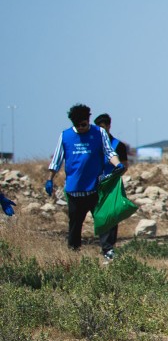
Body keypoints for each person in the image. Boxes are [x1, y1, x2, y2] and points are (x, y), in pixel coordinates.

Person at [46, 103, 120, 257]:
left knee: (103, 220)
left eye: (84, 124)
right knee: (75, 224)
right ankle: (73, 253)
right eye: (77, 125)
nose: (81, 128)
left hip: (95, 188)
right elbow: (56, 160)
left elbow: (109, 152)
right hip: (74, 191)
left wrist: (117, 164)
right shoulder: (65, 136)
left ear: (88, 120)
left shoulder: (99, 133)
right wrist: (50, 179)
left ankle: (108, 251)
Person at [93, 113, 130, 258]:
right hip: (97, 184)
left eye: (103, 127)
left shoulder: (118, 145)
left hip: (113, 185)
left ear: (109, 126)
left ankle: (109, 246)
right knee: (102, 215)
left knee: (113, 215)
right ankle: (106, 246)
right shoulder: (94, 145)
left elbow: (125, 165)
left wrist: (116, 175)